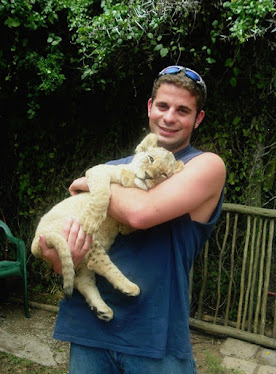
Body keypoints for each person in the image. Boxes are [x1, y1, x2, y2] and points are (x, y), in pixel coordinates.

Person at [39, 65, 226, 374]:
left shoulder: (204, 166)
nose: (169, 117)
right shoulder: (115, 167)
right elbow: (67, 253)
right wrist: (61, 257)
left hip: (156, 341)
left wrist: (93, 181)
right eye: (163, 106)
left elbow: (141, 213)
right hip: (90, 334)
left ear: (198, 118)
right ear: (150, 108)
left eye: (183, 110)